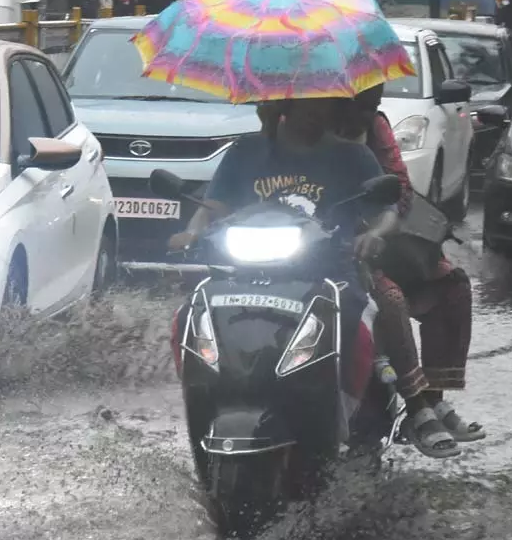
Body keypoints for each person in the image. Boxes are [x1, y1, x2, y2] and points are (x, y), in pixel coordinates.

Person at [168, 97, 398, 404]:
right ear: (283, 105)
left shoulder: (353, 156)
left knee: (354, 318)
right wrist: (191, 232)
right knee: (190, 315)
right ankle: (205, 396)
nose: (315, 112)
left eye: (323, 104)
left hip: (329, 272)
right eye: (307, 104)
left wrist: (374, 233)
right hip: (243, 271)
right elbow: (212, 207)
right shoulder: (245, 152)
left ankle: (346, 407)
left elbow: (386, 211)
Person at [335, 85, 485, 457]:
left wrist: (375, 226)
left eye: (373, 104)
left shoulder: (373, 129)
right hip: (329, 251)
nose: (367, 112)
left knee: (453, 285)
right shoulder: (293, 138)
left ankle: (433, 398)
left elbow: (399, 188)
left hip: (378, 240)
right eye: (360, 103)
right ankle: (416, 405)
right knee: (388, 297)